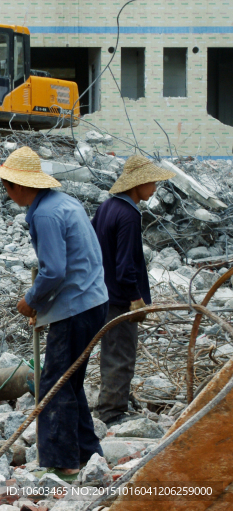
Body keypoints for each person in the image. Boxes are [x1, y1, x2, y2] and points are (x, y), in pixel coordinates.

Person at [0, 146, 109, 481]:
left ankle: (61, 462)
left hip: (76, 308)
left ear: (22, 186)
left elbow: (54, 271)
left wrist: (32, 300)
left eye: (9, 186)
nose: (7, 194)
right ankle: (87, 452)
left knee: (55, 383)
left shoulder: (45, 214)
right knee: (71, 381)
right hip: (93, 301)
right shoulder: (65, 203)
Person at [91, 155, 174, 425]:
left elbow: (93, 243)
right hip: (119, 297)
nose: (154, 188)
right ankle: (112, 413)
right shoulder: (128, 215)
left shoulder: (107, 207)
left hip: (103, 292)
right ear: (138, 184)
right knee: (122, 354)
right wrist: (136, 299)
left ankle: (113, 403)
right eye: (152, 183)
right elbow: (125, 265)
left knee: (111, 350)